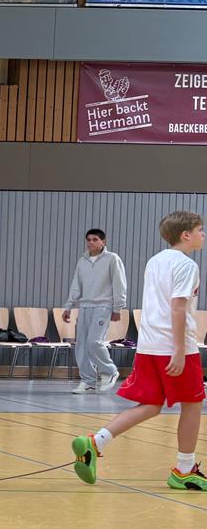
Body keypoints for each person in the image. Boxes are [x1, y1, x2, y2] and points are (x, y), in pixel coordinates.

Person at [73, 211, 207, 492]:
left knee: (152, 404)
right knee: (193, 404)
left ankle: (96, 441)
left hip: (148, 345)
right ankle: (184, 470)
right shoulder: (186, 265)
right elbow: (178, 308)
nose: (203, 235)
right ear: (186, 235)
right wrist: (180, 350)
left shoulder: (155, 261)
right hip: (174, 346)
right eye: (200, 230)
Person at [62, 228, 127, 393]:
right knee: (81, 346)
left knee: (94, 342)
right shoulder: (82, 261)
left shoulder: (112, 259)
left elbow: (119, 284)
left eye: (95, 239)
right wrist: (68, 306)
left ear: (103, 242)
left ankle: (110, 371)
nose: (91, 242)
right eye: (89, 240)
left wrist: (118, 308)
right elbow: (76, 286)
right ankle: (88, 381)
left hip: (103, 307)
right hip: (84, 307)